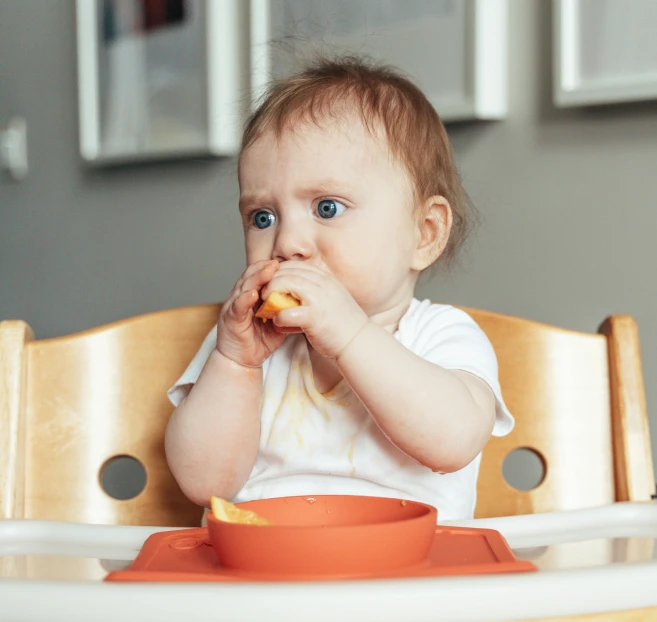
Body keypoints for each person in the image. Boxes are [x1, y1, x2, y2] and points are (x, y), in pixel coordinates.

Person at [164, 55, 513, 522]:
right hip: (265, 575)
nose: (287, 242)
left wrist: (349, 335)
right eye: (262, 217)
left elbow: (453, 442)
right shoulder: (243, 346)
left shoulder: (441, 336)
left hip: (408, 579)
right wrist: (233, 361)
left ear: (424, 233)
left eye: (327, 208)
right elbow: (203, 483)